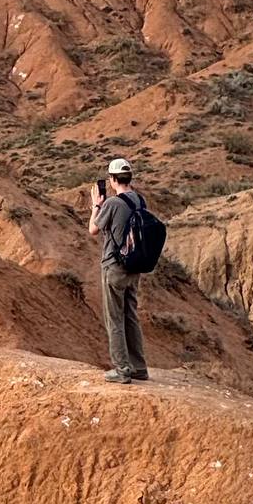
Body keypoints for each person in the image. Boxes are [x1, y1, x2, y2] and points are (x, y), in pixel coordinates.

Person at [88, 157, 159, 384]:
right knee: (131, 315)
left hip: (114, 267)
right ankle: (139, 367)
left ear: (112, 179)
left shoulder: (111, 204)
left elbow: (93, 229)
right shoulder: (139, 200)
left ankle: (121, 369)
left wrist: (96, 206)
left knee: (114, 319)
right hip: (134, 266)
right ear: (129, 177)